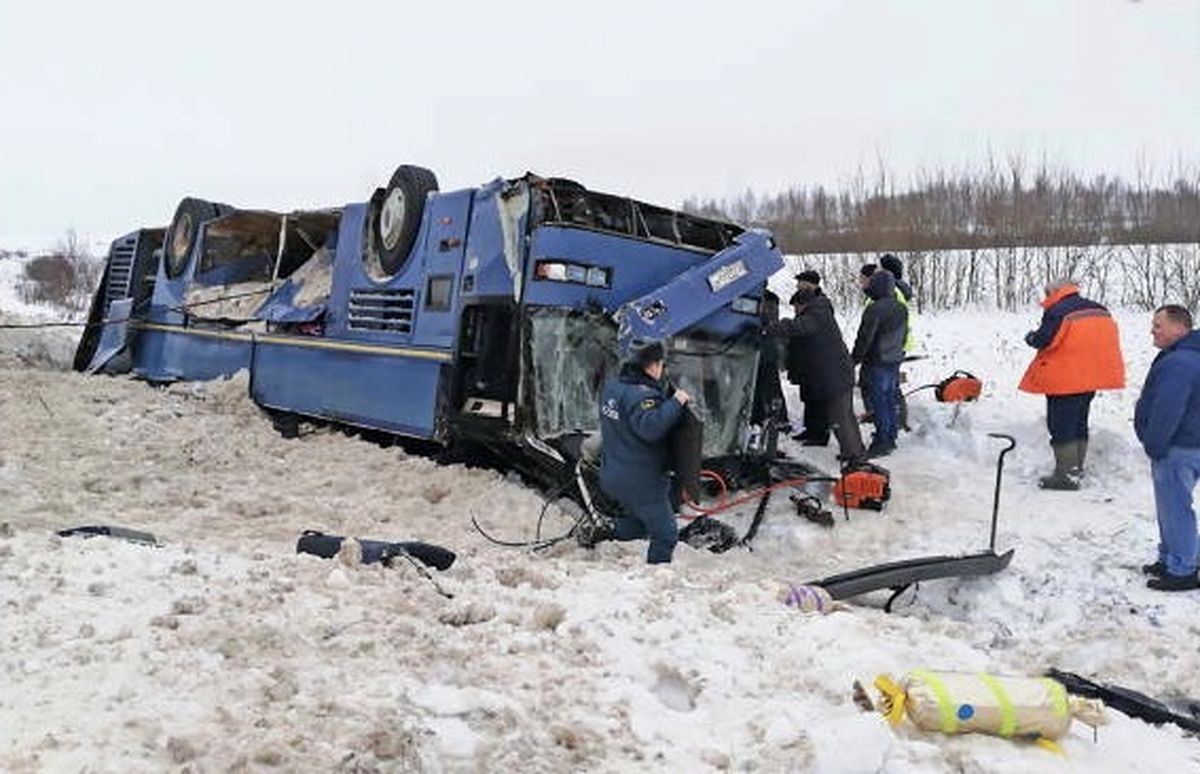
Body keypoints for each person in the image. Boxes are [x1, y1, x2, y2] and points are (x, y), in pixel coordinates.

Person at [1018, 280, 1125, 490]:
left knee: (1061, 425)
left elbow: (1045, 340)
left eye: (1046, 294)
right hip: (1092, 376)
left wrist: (1031, 337)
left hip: (1065, 378)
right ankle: (1076, 469)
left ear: (1054, 292)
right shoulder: (1099, 309)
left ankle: (1065, 475)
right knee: (1079, 422)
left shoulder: (1058, 311)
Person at [594, 340, 691, 564]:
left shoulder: (611, 386)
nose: (662, 369)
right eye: (661, 364)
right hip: (641, 482)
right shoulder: (642, 397)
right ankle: (654, 580)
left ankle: (608, 529)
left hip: (613, 474)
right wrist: (676, 402)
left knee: (640, 523)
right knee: (666, 534)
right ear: (652, 366)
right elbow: (650, 428)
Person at [1134, 305, 1200, 591]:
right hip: (1188, 441)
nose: (1152, 330)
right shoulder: (1186, 356)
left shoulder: (1181, 362)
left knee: (1175, 508)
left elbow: (1168, 407)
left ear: (1179, 328)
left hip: (1178, 445)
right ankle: (1171, 558)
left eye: (1158, 325)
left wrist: (1155, 442)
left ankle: (1183, 569)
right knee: (1170, 507)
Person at [771, 270, 866, 461]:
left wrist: (773, 327)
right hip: (835, 373)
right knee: (841, 416)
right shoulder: (816, 310)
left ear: (803, 304)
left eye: (797, 308)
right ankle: (853, 452)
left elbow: (798, 327)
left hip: (836, 375)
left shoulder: (817, 312)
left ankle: (855, 456)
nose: (796, 312)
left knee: (841, 417)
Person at [851, 269, 908, 457]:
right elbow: (904, 335)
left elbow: (865, 338)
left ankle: (882, 441)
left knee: (880, 402)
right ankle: (890, 436)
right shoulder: (901, 307)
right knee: (890, 400)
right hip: (894, 360)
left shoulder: (874, 309)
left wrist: (854, 360)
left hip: (877, 361)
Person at [879, 254, 915, 430]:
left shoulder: (894, 292)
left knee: (891, 384)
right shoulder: (898, 289)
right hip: (898, 342)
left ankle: (899, 419)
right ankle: (895, 418)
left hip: (894, 343)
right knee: (891, 382)